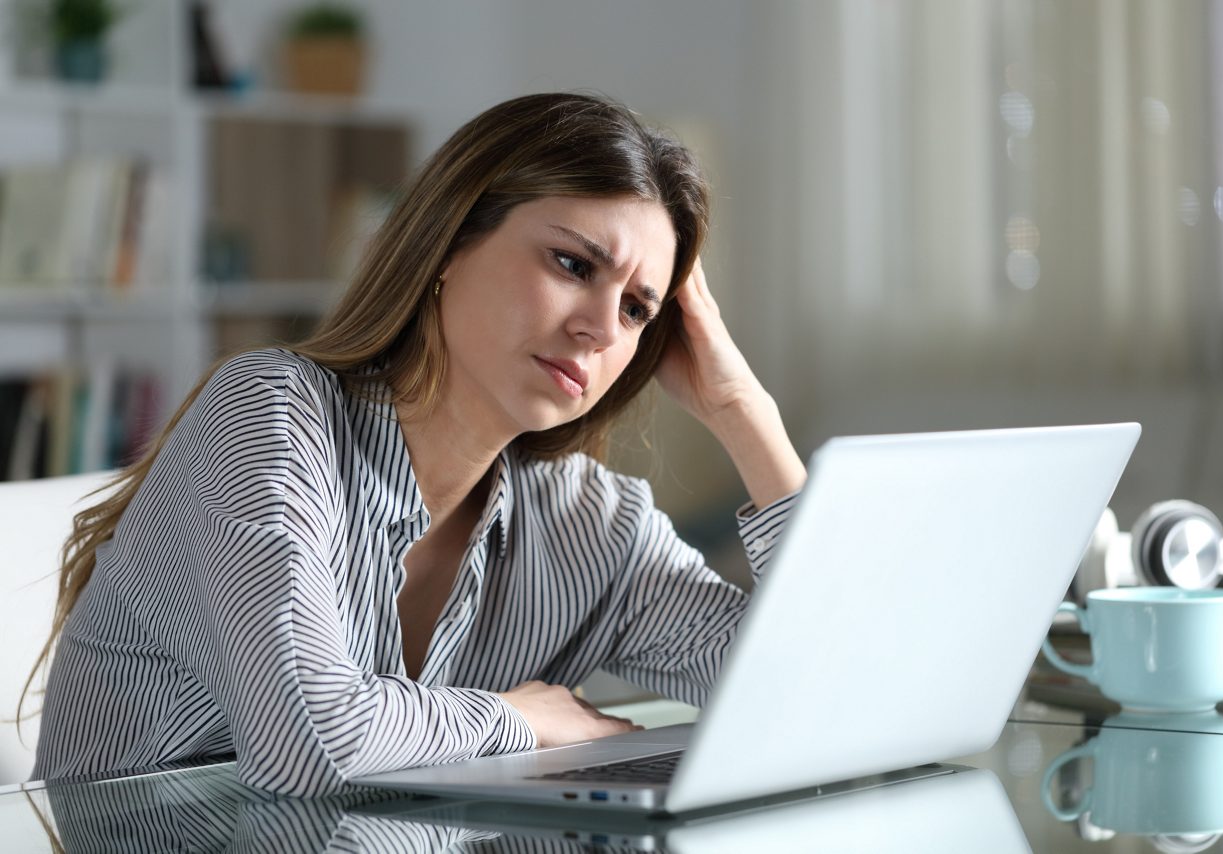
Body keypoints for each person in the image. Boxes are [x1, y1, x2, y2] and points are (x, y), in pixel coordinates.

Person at [26, 93, 807, 797]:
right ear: (445, 248)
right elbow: (309, 746)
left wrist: (745, 413)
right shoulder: (269, 415)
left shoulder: (588, 525)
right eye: (573, 264)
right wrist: (520, 719)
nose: (603, 328)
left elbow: (815, 691)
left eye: (638, 309)